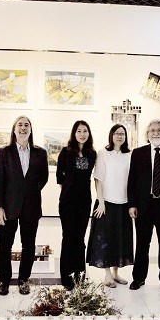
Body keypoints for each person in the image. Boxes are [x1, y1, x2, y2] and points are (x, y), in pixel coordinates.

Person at [0, 115, 49, 296]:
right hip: (8, 207)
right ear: (14, 129)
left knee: (29, 245)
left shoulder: (40, 153)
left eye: (26, 125)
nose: (23, 128)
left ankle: (24, 280)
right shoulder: (4, 152)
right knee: (5, 245)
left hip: (31, 207)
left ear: (31, 129)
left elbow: (43, 178)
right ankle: (4, 281)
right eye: (20, 125)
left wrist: (28, 192)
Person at [127, 119, 160, 293]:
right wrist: (132, 204)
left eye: (159, 130)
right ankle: (138, 278)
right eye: (152, 130)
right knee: (142, 243)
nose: (156, 133)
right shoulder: (138, 153)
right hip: (144, 205)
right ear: (148, 134)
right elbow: (132, 181)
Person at [86, 124, 133, 287]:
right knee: (106, 240)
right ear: (111, 135)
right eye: (116, 133)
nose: (119, 136)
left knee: (119, 240)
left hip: (124, 204)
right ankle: (107, 275)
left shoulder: (129, 155)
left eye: (122, 134)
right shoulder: (103, 153)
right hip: (106, 203)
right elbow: (98, 179)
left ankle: (116, 273)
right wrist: (100, 202)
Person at [56, 120, 97, 290]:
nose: (82, 134)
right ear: (74, 133)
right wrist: (67, 190)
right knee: (68, 238)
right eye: (79, 131)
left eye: (85, 131)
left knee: (80, 239)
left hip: (84, 201)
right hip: (67, 201)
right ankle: (66, 278)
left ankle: (80, 276)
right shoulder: (66, 152)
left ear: (89, 133)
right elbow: (59, 176)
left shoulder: (92, 154)